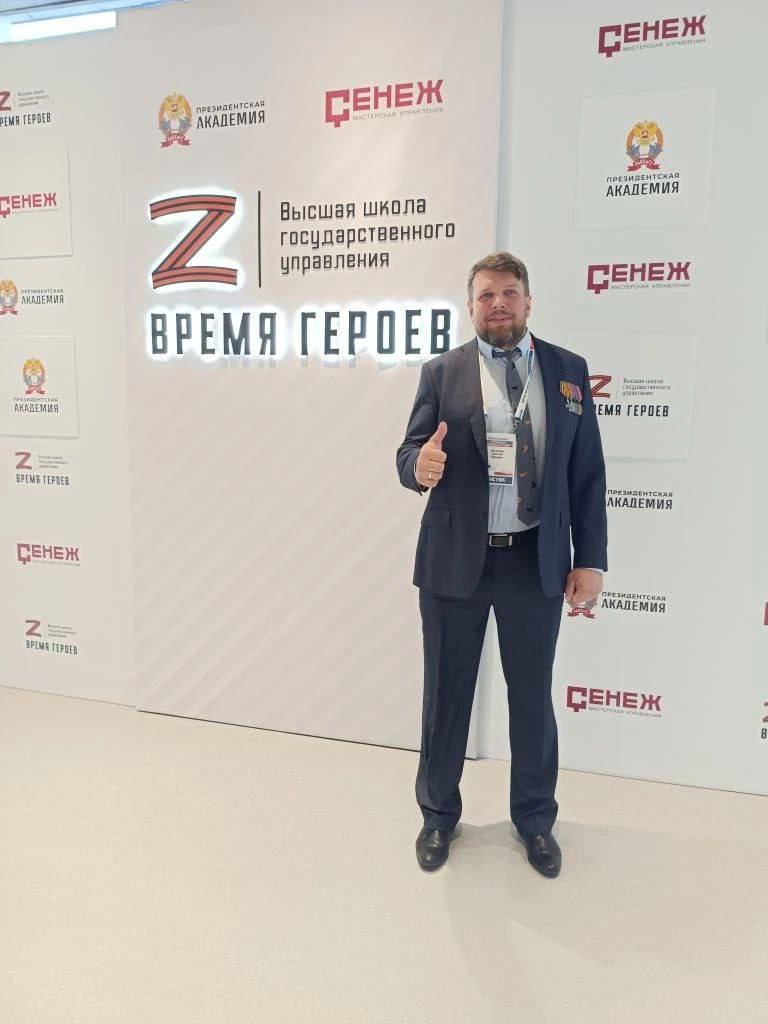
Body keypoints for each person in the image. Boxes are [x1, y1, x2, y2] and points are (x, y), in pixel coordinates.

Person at [395, 252, 608, 877]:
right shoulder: (442, 372)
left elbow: (588, 474)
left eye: (509, 292)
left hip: (534, 561)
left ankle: (535, 820)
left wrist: (591, 559)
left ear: (528, 301)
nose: (498, 304)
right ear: (471, 306)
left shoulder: (568, 372)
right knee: (446, 695)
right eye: (486, 294)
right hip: (454, 562)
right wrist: (419, 467)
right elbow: (410, 452)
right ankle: (438, 815)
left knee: (532, 698)